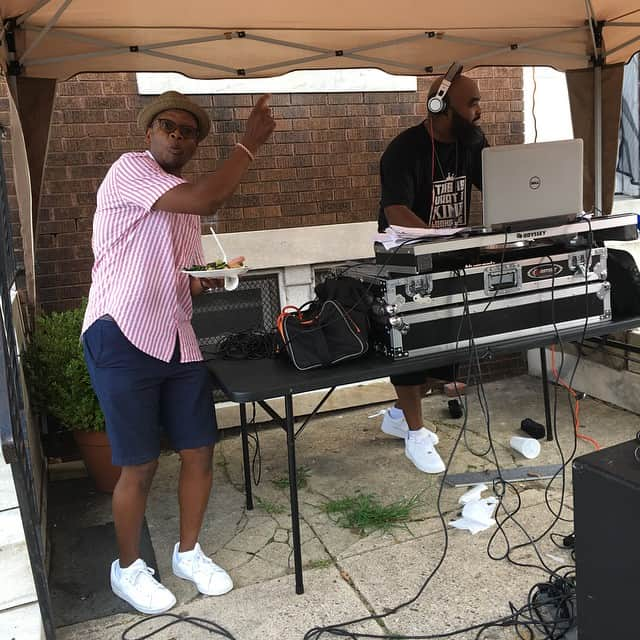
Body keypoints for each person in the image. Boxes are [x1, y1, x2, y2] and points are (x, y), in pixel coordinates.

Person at [81, 90, 275, 614]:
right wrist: (249, 145)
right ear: (149, 133)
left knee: (199, 450)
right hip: (121, 332)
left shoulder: (182, 201)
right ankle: (127, 569)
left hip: (175, 337)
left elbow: (184, 281)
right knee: (139, 464)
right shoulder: (128, 170)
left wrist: (212, 277)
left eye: (188, 132)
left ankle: (188, 552)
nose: (177, 135)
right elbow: (210, 199)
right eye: (167, 126)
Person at [377, 66, 488, 474]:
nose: (479, 111)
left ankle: (398, 416)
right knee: (410, 346)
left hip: (449, 255)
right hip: (405, 258)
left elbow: (493, 185)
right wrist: (443, 240)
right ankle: (416, 434)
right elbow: (396, 210)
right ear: (440, 107)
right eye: (472, 103)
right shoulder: (404, 151)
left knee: (441, 345)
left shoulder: (471, 142)